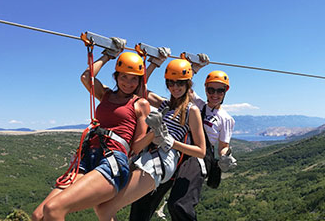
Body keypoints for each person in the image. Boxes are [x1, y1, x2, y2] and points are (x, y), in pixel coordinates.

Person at [31, 45, 150, 221]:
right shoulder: (106, 95)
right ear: (116, 76)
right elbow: (86, 77)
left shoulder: (140, 104)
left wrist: (155, 133)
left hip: (113, 162)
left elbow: (137, 146)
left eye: (134, 79)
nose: (128, 83)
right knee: (38, 215)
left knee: (54, 209)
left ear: (139, 81)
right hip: (88, 158)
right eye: (124, 76)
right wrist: (108, 56)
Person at [96, 58, 206, 221]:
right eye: (171, 83)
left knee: (108, 207)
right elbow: (140, 88)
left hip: (162, 159)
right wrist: (154, 62)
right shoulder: (164, 105)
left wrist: (171, 142)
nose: (175, 87)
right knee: (104, 205)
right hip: (146, 154)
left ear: (188, 84)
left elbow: (201, 151)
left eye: (180, 83)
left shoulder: (192, 110)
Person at [129, 66, 236, 221]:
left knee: (179, 204)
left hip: (198, 157)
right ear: (205, 89)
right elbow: (182, 80)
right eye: (211, 90)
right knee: (144, 199)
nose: (215, 94)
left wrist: (225, 157)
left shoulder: (225, 119)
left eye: (220, 91)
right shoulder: (198, 104)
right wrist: (193, 66)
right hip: (178, 152)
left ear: (225, 91)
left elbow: (223, 146)